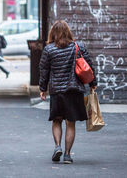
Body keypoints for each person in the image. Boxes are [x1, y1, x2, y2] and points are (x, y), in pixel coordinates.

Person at [39, 20, 97, 164]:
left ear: (53, 33)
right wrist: (92, 84)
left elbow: (43, 70)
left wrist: (42, 88)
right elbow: (88, 66)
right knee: (70, 123)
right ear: (68, 32)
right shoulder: (78, 47)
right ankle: (67, 155)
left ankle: (57, 146)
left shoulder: (49, 49)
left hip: (57, 91)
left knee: (57, 120)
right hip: (74, 90)